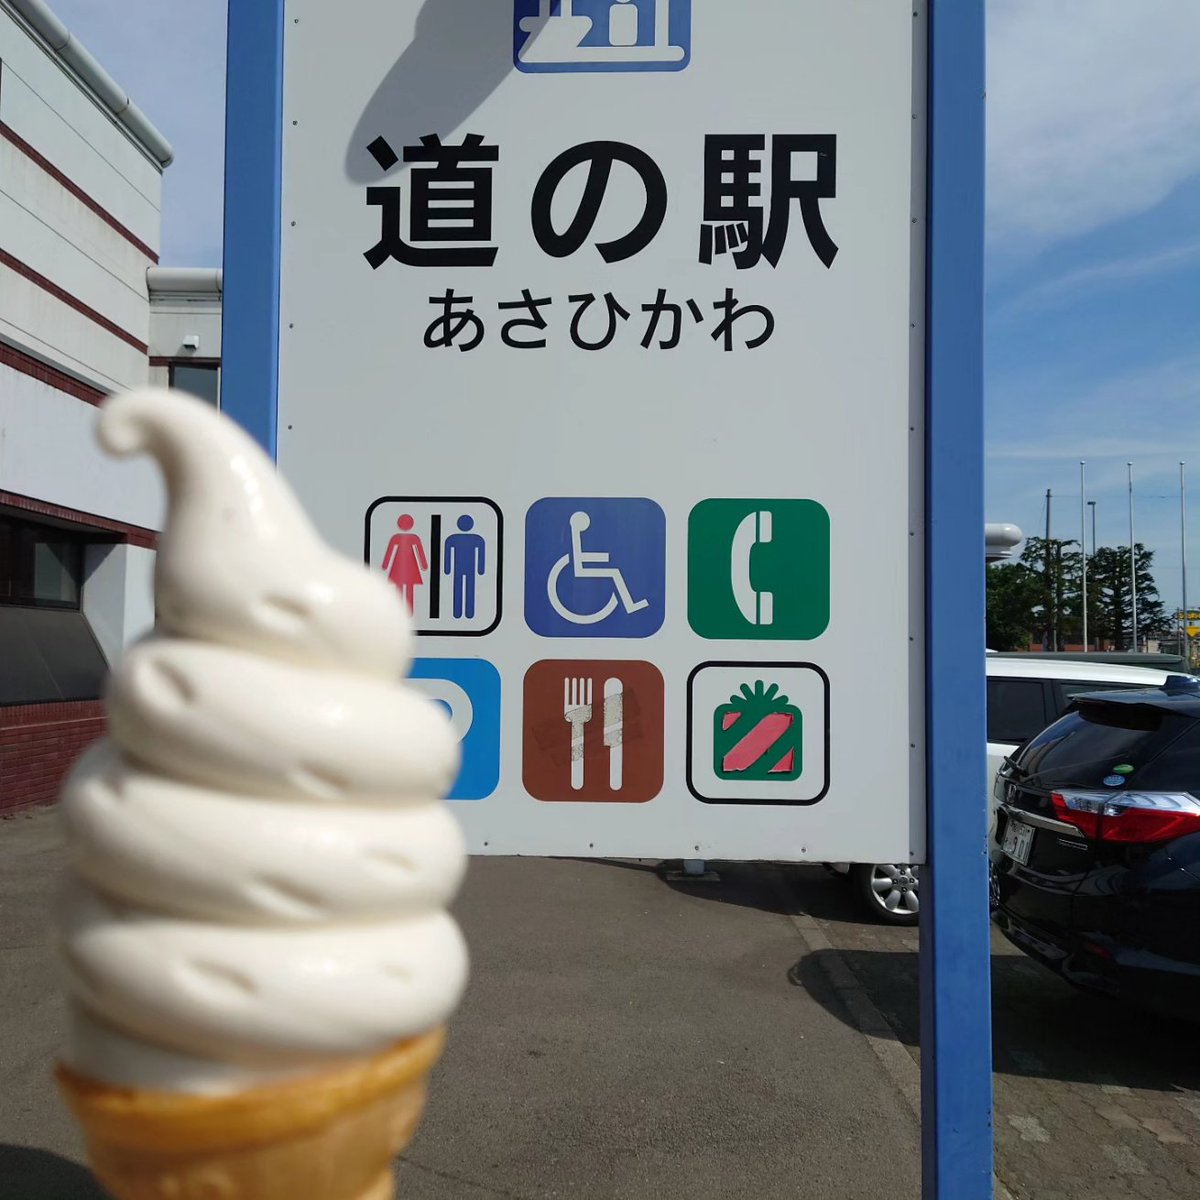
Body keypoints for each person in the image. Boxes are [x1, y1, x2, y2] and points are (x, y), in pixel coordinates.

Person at [381, 514, 427, 612]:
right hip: (401, 566)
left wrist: (424, 565)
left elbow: (420, 552)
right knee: (401, 588)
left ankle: (407, 611)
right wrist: (424, 565)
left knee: (405, 588)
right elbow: (390, 551)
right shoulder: (398, 538)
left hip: (407, 566)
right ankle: (402, 611)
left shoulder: (410, 538)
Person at [443, 515, 486, 619]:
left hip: (463, 568)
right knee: (463, 587)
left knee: (466, 588)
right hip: (465, 568)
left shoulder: (475, 539)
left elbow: (481, 554)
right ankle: (460, 613)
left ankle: (466, 613)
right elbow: (448, 554)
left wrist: (481, 569)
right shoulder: (453, 539)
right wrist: (447, 568)